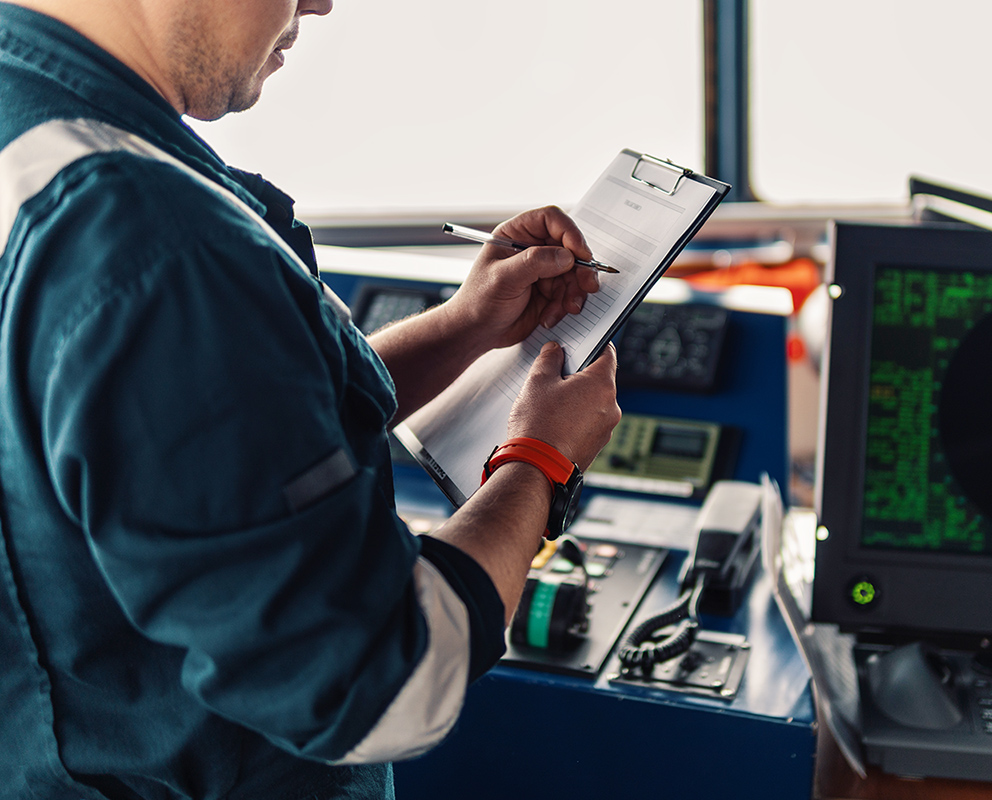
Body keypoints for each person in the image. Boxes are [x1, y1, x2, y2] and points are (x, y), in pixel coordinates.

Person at [0, 1, 621, 798]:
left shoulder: (36, 124)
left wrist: (466, 328)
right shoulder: (156, 244)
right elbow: (383, 684)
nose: (322, 0)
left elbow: (227, 436)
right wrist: (539, 461)